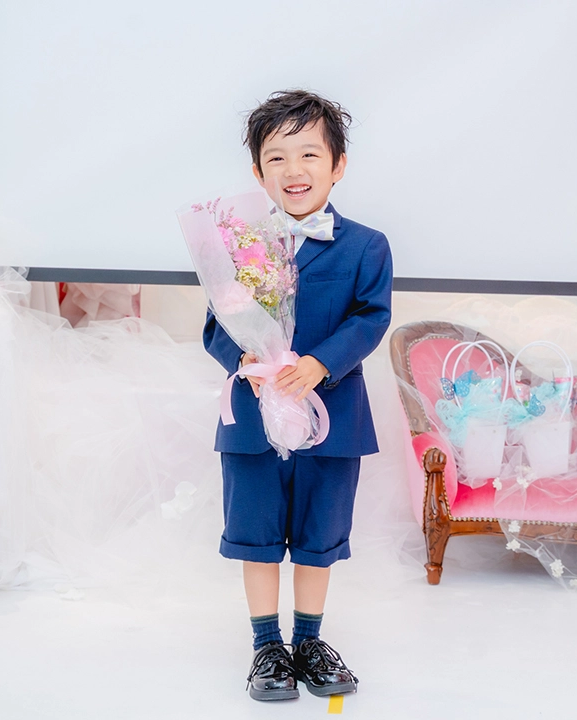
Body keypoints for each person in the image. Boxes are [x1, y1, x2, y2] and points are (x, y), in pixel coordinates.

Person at [202, 89, 393, 702]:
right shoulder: (236, 244)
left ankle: (309, 640)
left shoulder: (367, 245)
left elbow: (371, 318)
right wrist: (244, 360)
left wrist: (320, 364)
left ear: (338, 165)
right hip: (253, 417)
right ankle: (267, 645)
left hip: (333, 416)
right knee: (255, 530)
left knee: (319, 532)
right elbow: (215, 325)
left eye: (310, 154)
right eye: (277, 157)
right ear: (258, 172)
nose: (294, 169)